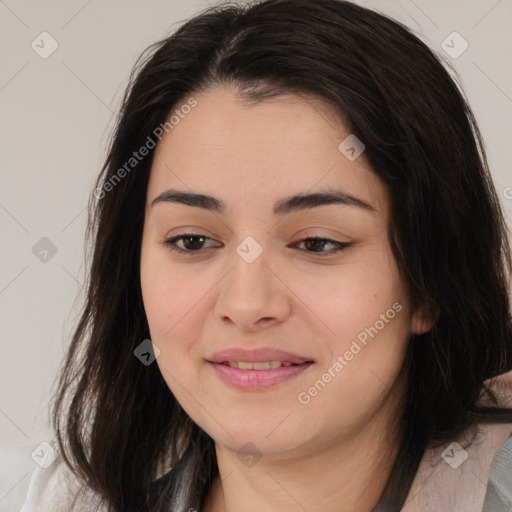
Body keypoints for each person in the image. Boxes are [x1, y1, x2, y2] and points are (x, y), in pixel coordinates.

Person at [19, 0, 512, 511]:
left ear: (431, 281)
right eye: (192, 241)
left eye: (318, 243)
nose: (247, 303)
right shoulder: (68, 499)